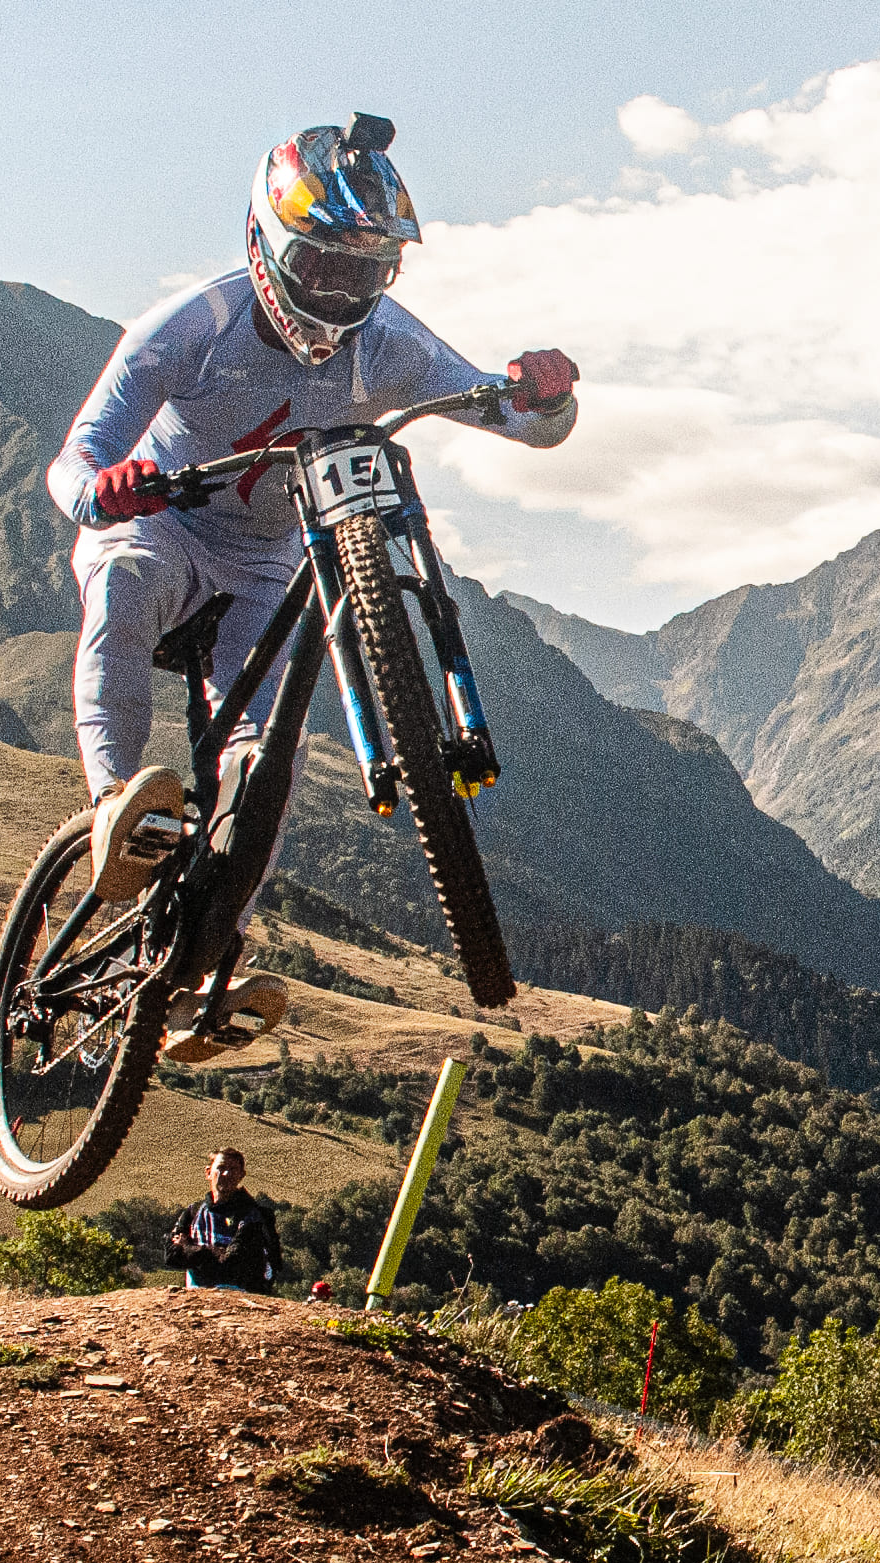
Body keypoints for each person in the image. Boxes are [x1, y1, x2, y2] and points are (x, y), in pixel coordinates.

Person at [43, 117, 578, 1064]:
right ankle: (115, 807)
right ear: (266, 245)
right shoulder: (186, 330)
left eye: (364, 275)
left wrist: (542, 394)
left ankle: (196, 975)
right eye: (322, 266)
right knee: (124, 587)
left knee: (266, 763)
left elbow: (511, 417)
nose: (340, 293)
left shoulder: (391, 343)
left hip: (265, 560)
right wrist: (104, 490)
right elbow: (75, 463)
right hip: (163, 521)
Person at [178, 1146, 280, 1295]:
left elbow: (232, 1261)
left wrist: (190, 1249)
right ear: (208, 1172)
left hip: (242, 1294)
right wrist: (217, 1253)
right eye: (221, 1168)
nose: (226, 1174)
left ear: (241, 1175)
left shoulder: (254, 1216)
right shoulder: (193, 1212)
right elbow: (172, 1255)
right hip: (198, 1294)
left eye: (233, 1169)